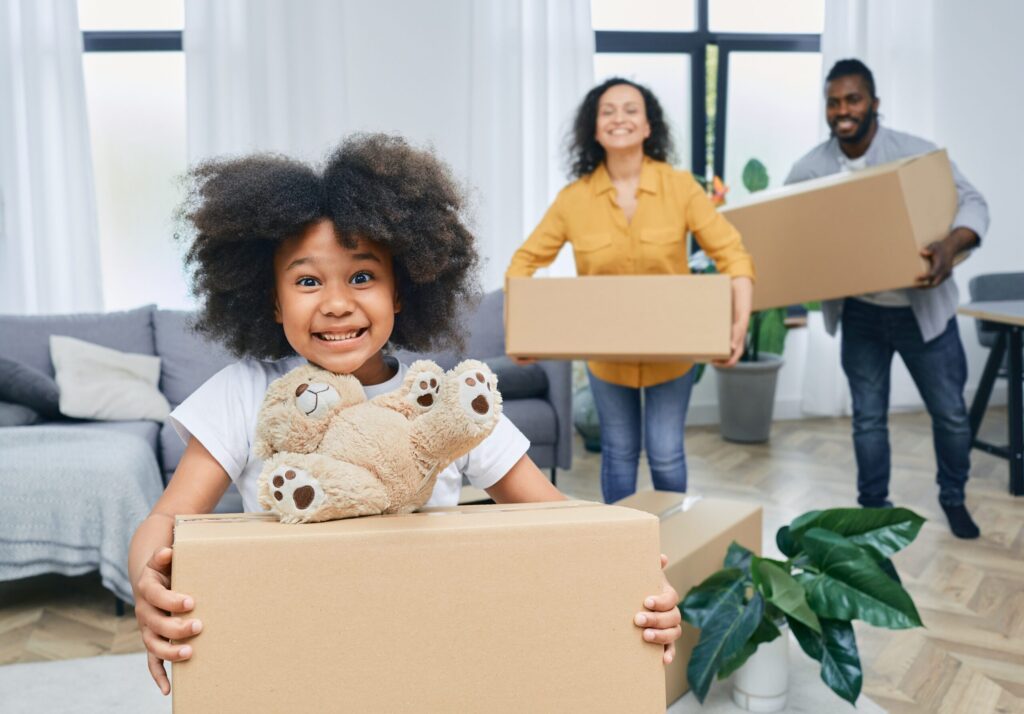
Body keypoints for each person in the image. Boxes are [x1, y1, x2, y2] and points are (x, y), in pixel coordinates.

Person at [129, 134, 682, 695]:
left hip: (430, 658)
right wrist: (149, 585)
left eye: (362, 276)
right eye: (307, 281)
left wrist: (632, 578)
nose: (337, 302)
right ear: (272, 300)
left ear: (401, 292)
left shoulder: (448, 403)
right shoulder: (243, 392)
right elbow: (164, 523)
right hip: (297, 658)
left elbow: (561, 522)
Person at [506, 78, 755, 504]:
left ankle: (671, 546)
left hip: (673, 356)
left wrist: (739, 323)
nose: (619, 118)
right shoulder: (574, 199)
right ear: (595, 128)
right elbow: (523, 262)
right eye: (608, 111)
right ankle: (619, 553)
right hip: (608, 361)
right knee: (619, 455)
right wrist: (521, 330)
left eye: (630, 109)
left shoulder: (679, 188)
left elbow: (733, 254)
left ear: (648, 126)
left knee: (666, 453)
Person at [786, 59, 989, 539]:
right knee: (868, 421)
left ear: (874, 103)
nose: (843, 111)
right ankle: (873, 512)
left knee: (952, 416)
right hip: (860, 314)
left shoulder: (915, 155)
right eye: (834, 102)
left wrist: (949, 245)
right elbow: (792, 233)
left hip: (925, 316)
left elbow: (974, 203)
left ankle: (953, 498)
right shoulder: (809, 169)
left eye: (853, 99)